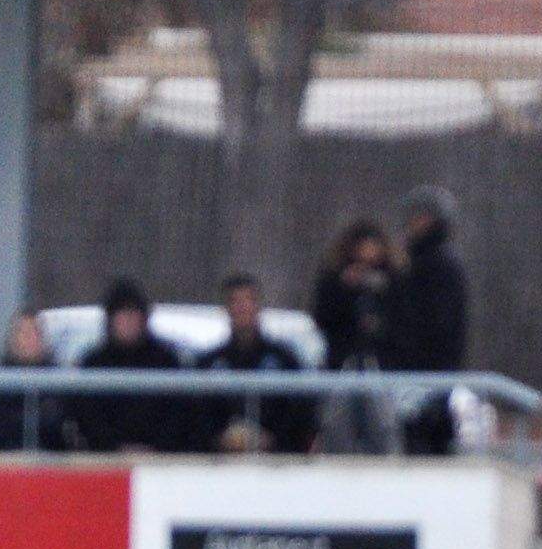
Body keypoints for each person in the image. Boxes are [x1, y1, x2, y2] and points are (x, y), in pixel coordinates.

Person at [388, 186, 470, 456]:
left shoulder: (437, 265)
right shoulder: (421, 261)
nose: (410, 223)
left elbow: (437, 325)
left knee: (423, 444)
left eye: (417, 216)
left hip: (425, 377)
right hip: (422, 376)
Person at [69, 281, 193, 456]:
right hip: (105, 462)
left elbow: (180, 414)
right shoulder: (93, 364)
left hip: (162, 462)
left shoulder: (167, 362)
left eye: (133, 313)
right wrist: (113, 449)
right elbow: (87, 416)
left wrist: (157, 449)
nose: (128, 321)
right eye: (121, 314)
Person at [199, 273, 316, 455]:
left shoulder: (285, 360)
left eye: (249, 300)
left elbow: (300, 412)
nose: (243, 308)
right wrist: (219, 438)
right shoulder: (209, 363)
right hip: (218, 464)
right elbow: (198, 415)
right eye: (235, 301)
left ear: (259, 305)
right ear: (225, 308)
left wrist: (272, 439)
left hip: (276, 465)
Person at [307, 219, 392, 453]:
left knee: (382, 430)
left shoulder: (392, 280)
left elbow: (400, 322)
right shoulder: (334, 279)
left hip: (381, 368)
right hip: (342, 365)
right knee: (337, 431)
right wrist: (345, 288)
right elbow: (322, 318)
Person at [0, 310, 68, 453]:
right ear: (13, 339)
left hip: (51, 463)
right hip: (5, 463)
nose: (29, 338)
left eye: (35, 332)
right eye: (23, 332)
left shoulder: (57, 381)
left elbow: (59, 425)